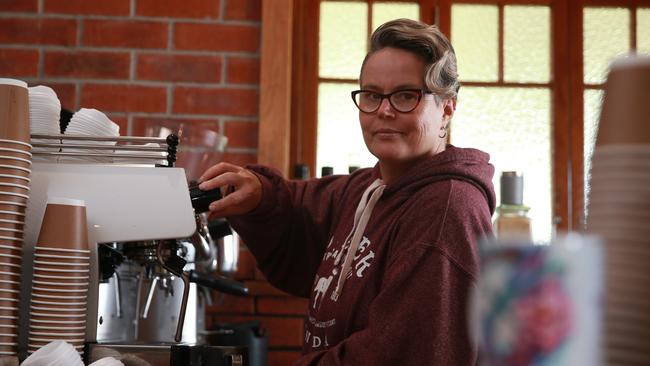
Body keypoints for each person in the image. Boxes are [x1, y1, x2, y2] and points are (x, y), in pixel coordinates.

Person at [199, 18, 495, 365]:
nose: (384, 110)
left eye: (405, 96)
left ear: (447, 108)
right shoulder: (369, 187)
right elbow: (301, 209)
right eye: (372, 95)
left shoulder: (446, 210)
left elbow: (398, 355)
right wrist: (260, 196)